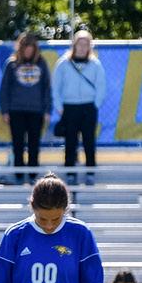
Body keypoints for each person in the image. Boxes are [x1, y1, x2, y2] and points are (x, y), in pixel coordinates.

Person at [53, 28, 106, 180]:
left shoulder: (95, 64)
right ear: (74, 45)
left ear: (90, 46)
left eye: (86, 44)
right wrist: (59, 107)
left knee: (89, 141)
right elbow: (56, 87)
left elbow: (101, 86)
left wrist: (95, 104)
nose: (82, 47)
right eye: (80, 44)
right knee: (70, 142)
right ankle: (70, 173)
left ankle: (90, 172)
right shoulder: (63, 63)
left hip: (88, 107)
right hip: (69, 107)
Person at [0, 32, 51, 183]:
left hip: (36, 111)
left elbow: (47, 88)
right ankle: (19, 175)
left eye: (31, 47)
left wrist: (47, 109)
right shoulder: (12, 64)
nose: (28, 50)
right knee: (18, 144)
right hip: (16, 110)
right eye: (25, 47)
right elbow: (4, 89)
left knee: (34, 144)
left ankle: (33, 175)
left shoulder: (41, 63)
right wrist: (5, 110)